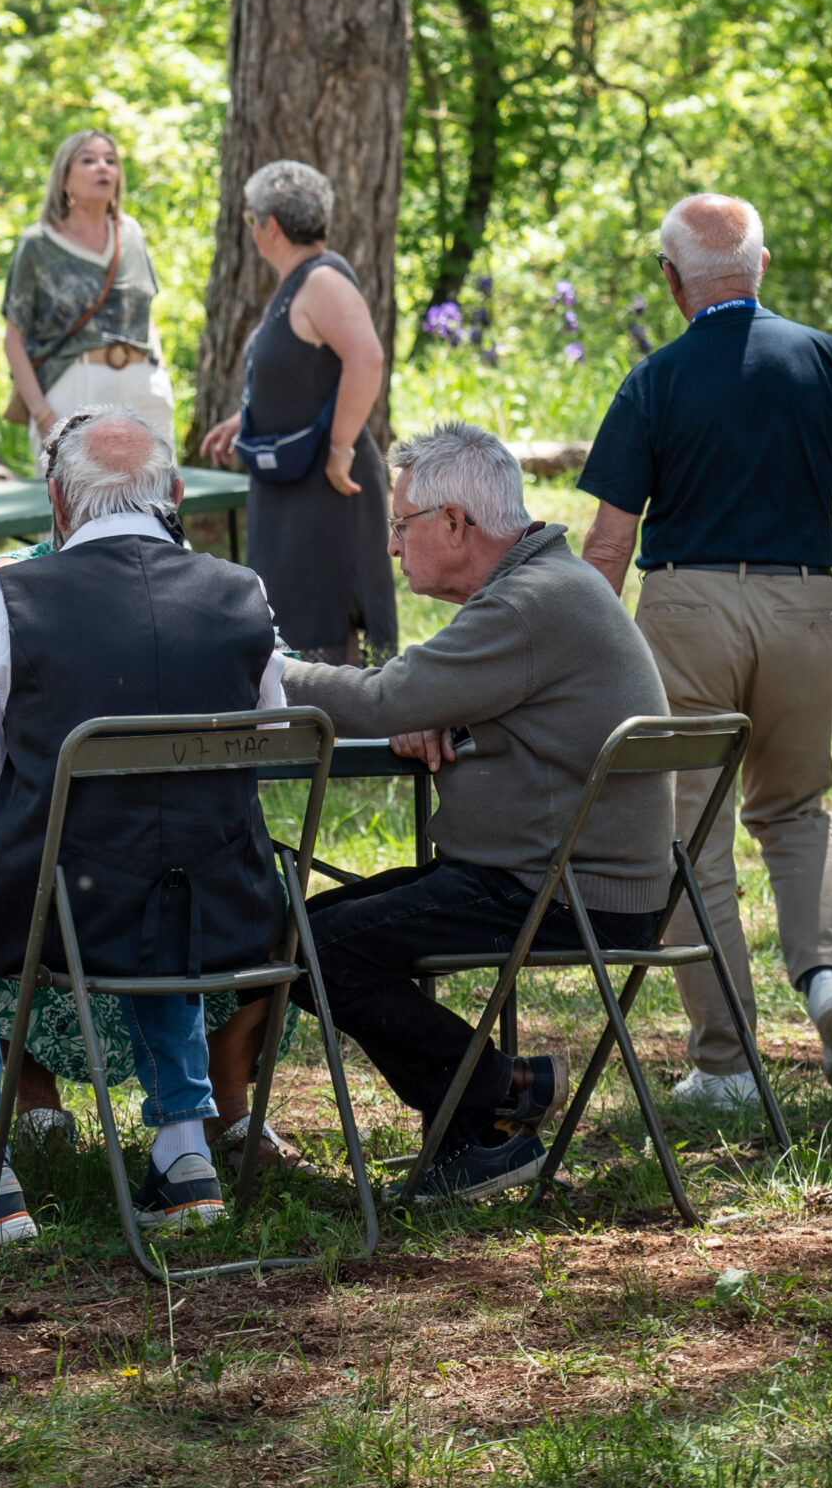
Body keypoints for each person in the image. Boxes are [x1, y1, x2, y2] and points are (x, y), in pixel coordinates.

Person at [0, 407, 287, 1250]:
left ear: (59, 507)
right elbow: (267, 749)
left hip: (61, 906)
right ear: (174, 495)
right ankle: (185, 1152)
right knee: (167, 869)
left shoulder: (11, 593)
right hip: (231, 907)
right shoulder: (240, 591)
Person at [579, 192, 832, 1106]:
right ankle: (828, 982)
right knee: (798, 811)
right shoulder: (825, 361)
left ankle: (726, 1063)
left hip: (687, 608)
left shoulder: (652, 380)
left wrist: (573, 658)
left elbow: (609, 544)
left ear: (669, 282)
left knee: (691, 834)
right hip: (806, 605)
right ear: (759, 267)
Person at [281, 420, 673, 1202]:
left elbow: (386, 696)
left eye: (399, 525)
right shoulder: (549, 586)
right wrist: (444, 709)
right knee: (300, 933)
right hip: (568, 877)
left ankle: (497, 1097)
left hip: (560, 892)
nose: (392, 548)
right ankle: (484, 1120)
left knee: (317, 948)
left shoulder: (527, 604)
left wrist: (265, 669)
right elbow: (453, 694)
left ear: (454, 523)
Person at [201, 159, 397, 663]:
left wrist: (340, 448)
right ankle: (313, 731)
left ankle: (342, 733)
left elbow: (367, 357)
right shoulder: (298, 282)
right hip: (292, 484)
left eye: (250, 222)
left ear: (268, 225)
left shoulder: (323, 281)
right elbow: (302, 377)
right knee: (296, 621)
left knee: (322, 621)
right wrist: (244, 421)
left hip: (326, 485)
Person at [2, 130, 175, 471]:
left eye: (111, 161)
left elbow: (144, 313)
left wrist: (161, 373)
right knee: (74, 509)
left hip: (142, 384)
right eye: (89, 160)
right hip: (74, 385)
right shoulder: (38, 245)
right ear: (64, 178)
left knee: (155, 503)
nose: (103, 168)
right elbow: (14, 339)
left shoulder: (131, 234)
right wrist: (42, 413)